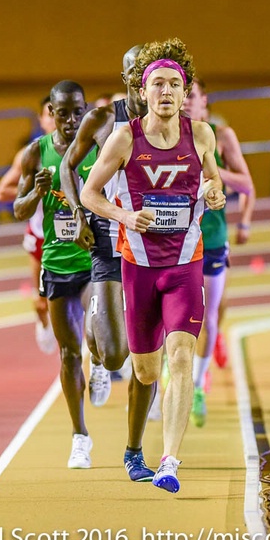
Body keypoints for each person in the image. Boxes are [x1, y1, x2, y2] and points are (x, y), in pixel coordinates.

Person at [81, 38, 226, 493]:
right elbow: (89, 193)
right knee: (145, 371)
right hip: (139, 267)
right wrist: (124, 215)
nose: (166, 91)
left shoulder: (201, 135)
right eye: (158, 84)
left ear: (186, 94)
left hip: (186, 264)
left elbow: (213, 178)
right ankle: (132, 450)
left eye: (175, 84)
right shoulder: (125, 137)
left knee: (181, 356)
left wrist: (216, 191)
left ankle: (169, 461)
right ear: (143, 92)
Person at [60, 46, 158, 482]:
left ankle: (134, 450)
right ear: (124, 77)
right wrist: (81, 215)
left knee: (143, 358)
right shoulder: (102, 120)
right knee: (115, 355)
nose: (141, 79)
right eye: (133, 72)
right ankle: (96, 353)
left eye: (148, 72)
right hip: (106, 241)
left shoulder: (164, 122)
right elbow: (68, 166)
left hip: (150, 245)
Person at [13, 80, 98, 470]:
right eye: (61, 113)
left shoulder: (98, 148)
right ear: (50, 112)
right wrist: (36, 193)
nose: (69, 120)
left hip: (96, 261)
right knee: (68, 354)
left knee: (99, 334)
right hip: (59, 265)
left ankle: (100, 361)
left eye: (76, 111)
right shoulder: (37, 152)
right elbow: (18, 209)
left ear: (85, 110)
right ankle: (80, 436)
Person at [181, 76, 255, 428]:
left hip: (211, 238)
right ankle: (172, 370)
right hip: (175, 240)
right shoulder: (159, 134)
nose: (184, 101)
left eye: (190, 95)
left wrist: (212, 169)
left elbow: (247, 185)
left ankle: (197, 384)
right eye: (180, 94)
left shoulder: (221, 135)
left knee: (209, 317)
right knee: (173, 315)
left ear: (204, 100)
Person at [0, 95, 57, 353]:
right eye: (50, 114)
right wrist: (33, 190)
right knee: (42, 301)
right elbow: (1, 192)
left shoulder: (83, 149)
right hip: (41, 238)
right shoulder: (31, 154)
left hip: (72, 237)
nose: (56, 120)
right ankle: (44, 323)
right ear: (41, 120)